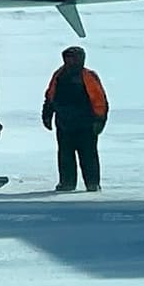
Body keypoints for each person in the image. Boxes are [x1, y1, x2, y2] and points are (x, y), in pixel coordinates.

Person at [42, 45, 109, 192]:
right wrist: (47, 114)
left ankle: (92, 183)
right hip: (64, 124)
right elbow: (50, 96)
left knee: (88, 156)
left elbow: (100, 100)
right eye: (67, 58)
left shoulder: (89, 77)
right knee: (65, 156)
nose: (70, 61)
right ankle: (67, 183)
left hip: (85, 125)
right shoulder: (59, 75)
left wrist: (100, 120)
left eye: (73, 58)